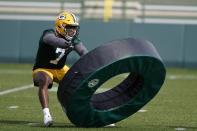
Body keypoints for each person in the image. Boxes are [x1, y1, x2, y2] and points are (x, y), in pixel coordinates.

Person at [32, 11, 88, 127]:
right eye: (70, 27)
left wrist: (93, 58)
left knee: (81, 86)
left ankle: (94, 113)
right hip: (43, 68)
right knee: (44, 80)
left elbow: (84, 52)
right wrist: (66, 43)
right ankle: (47, 115)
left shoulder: (73, 39)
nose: (73, 30)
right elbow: (52, 40)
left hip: (61, 68)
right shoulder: (48, 33)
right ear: (60, 26)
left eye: (74, 28)